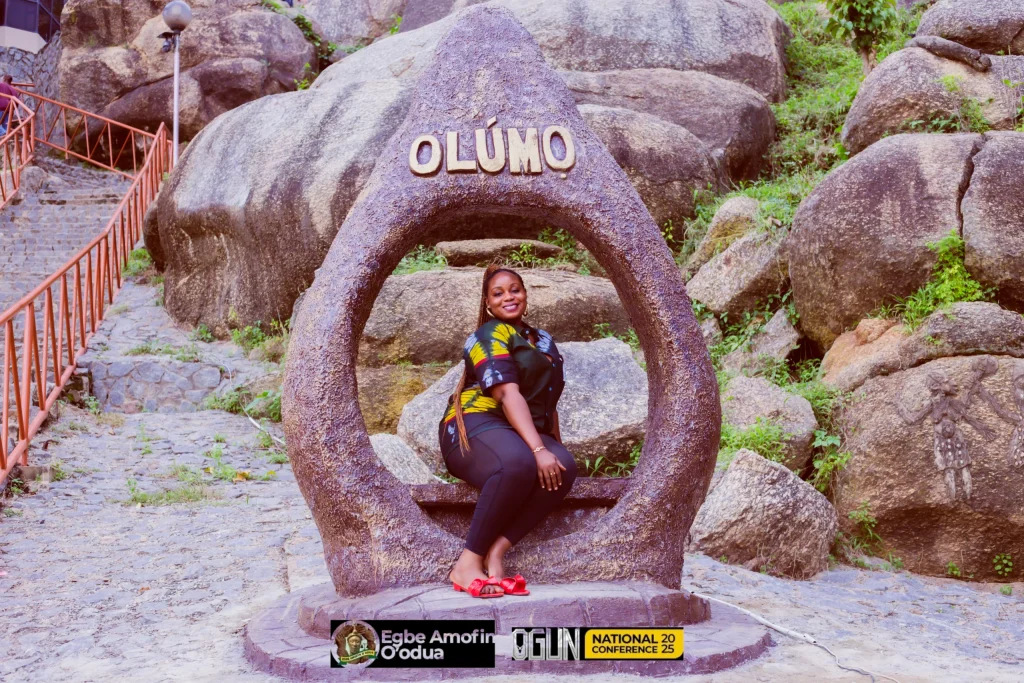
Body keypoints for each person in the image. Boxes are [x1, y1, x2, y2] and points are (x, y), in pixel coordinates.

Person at [438, 264, 577, 598]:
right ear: (488, 304)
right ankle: (466, 564)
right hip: (475, 424)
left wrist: (553, 447)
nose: (508, 297)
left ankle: (496, 552)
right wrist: (538, 450)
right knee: (517, 462)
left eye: (515, 289)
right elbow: (506, 394)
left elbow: (548, 400)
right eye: (498, 293)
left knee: (564, 467)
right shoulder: (488, 335)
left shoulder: (543, 340)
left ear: (525, 294)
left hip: (517, 428)